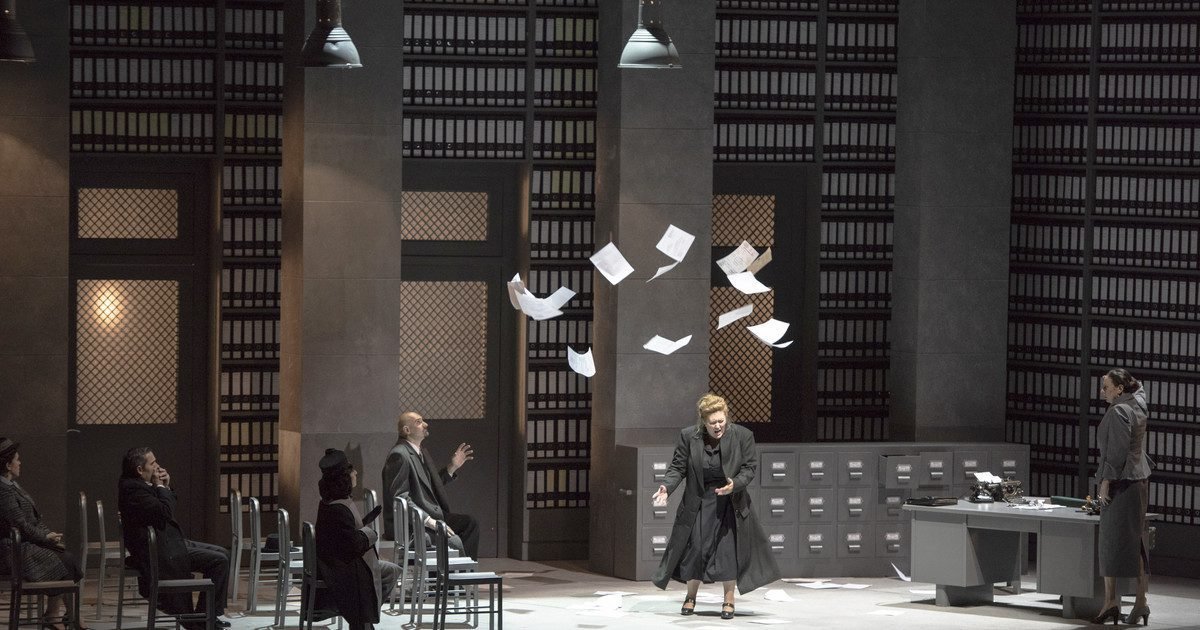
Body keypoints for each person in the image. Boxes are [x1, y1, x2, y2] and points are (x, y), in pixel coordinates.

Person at [651, 394, 781, 620]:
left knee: (727, 552)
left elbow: (749, 468)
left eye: (721, 421)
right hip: (699, 502)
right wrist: (665, 488)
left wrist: (735, 484)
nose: (718, 426)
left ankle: (729, 599)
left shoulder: (743, 436)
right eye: (713, 423)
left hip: (729, 501)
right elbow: (678, 468)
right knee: (695, 549)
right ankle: (690, 596)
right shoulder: (689, 436)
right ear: (703, 421)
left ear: (726, 417)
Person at [117, 447, 230, 629]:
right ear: (139, 469)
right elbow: (165, 511)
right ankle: (203, 619)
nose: (157, 466)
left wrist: (166, 486)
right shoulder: (132, 489)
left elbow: (165, 505)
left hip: (170, 542)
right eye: (153, 463)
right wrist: (162, 487)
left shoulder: (139, 485)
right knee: (219, 560)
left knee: (223, 553)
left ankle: (207, 616)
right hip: (161, 552)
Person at [0, 438, 87, 630]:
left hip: (24, 544)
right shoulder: (3, 491)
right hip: (11, 550)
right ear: (7, 465)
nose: (20, 463)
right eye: (17, 459)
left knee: (64, 555)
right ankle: (60, 615)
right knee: (65, 559)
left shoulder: (11, 485)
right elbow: (20, 525)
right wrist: (44, 538)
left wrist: (48, 535)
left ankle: (60, 614)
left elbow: (34, 519)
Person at [1092, 368, 1153, 626]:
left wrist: (1106, 482)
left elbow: (1116, 452)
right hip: (1137, 480)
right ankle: (1140, 603)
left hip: (1122, 482)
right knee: (1134, 542)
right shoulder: (1137, 405)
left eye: (1106, 387)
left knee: (1110, 542)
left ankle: (1111, 602)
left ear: (1119, 389)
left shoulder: (1119, 411)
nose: (1102, 392)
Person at [314, 448, 400, 630]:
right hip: (341, 570)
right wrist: (371, 533)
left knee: (390, 570)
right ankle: (363, 617)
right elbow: (353, 544)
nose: (355, 473)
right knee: (389, 572)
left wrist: (364, 522)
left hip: (339, 564)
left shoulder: (332, 503)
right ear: (343, 478)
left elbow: (345, 534)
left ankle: (365, 617)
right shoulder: (338, 508)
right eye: (351, 471)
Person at [381, 411, 478, 558]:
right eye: (419, 422)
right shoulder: (399, 455)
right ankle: (456, 572)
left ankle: (464, 569)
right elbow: (400, 498)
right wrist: (429, 521)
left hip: (428, 515)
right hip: (409, 525)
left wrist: (452, 467)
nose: (425, 424)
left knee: (470, 524)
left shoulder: (420, 452)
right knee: (455, 541)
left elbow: (429, 487)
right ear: (407, 430)